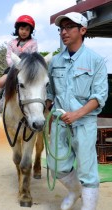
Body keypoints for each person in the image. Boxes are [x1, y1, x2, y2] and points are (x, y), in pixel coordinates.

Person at [46, 12, 108, 210]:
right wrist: (44, 111)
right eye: (61, 29)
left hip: (84, 123)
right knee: (56, 165)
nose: (63, 32)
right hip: (59, 122)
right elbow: (50, 93)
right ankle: (74, 191)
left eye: (69, 27)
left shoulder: (96, 61)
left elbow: (99, 97)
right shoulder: (55, 62)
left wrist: (77, 114)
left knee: (87, 171)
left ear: (82, 30)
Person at [0, 15, 38, 108]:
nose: (24, 32)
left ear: (30, 31)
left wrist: (28, 67)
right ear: (17, 29)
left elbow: (34, 56)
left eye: (27, 29)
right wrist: (15, 66)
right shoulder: (11, 43)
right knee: (1, 82)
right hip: (13, 67)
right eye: (22, 29)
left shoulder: (33, 42)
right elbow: (8, 56)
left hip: (28, 69)